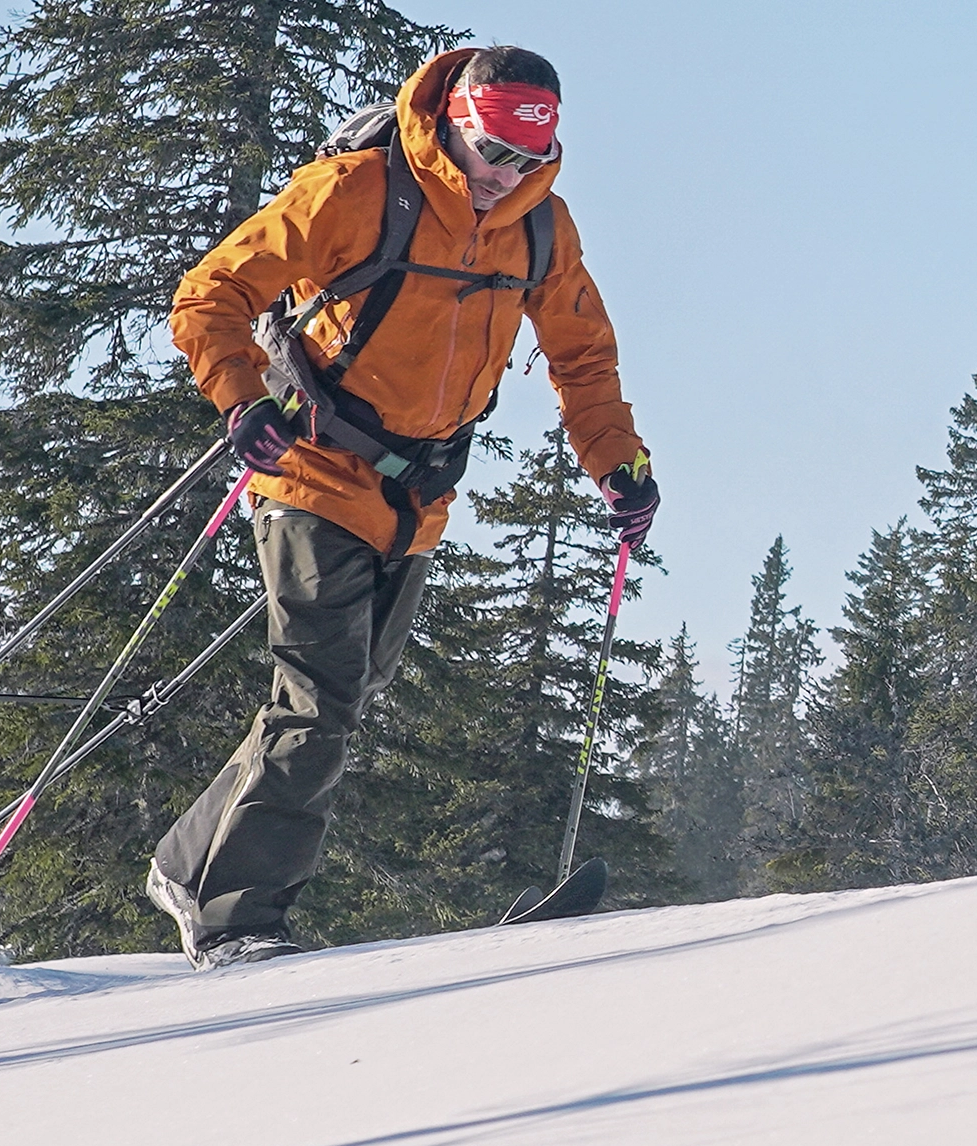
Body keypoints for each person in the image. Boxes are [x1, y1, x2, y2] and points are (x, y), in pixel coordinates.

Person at [145, 45, 658, 969]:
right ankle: (237, 921)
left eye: (527, 161)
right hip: (309, 471)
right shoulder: (355, 191)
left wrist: (616, 462)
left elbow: (583, 357)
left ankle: (189, 865)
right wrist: (239, 398)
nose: (504, 179)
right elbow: (210, 292)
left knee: (341, 695)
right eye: (491, 154)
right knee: (321, 700)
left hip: (417, 495)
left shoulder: (541, 228)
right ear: (454, 126)